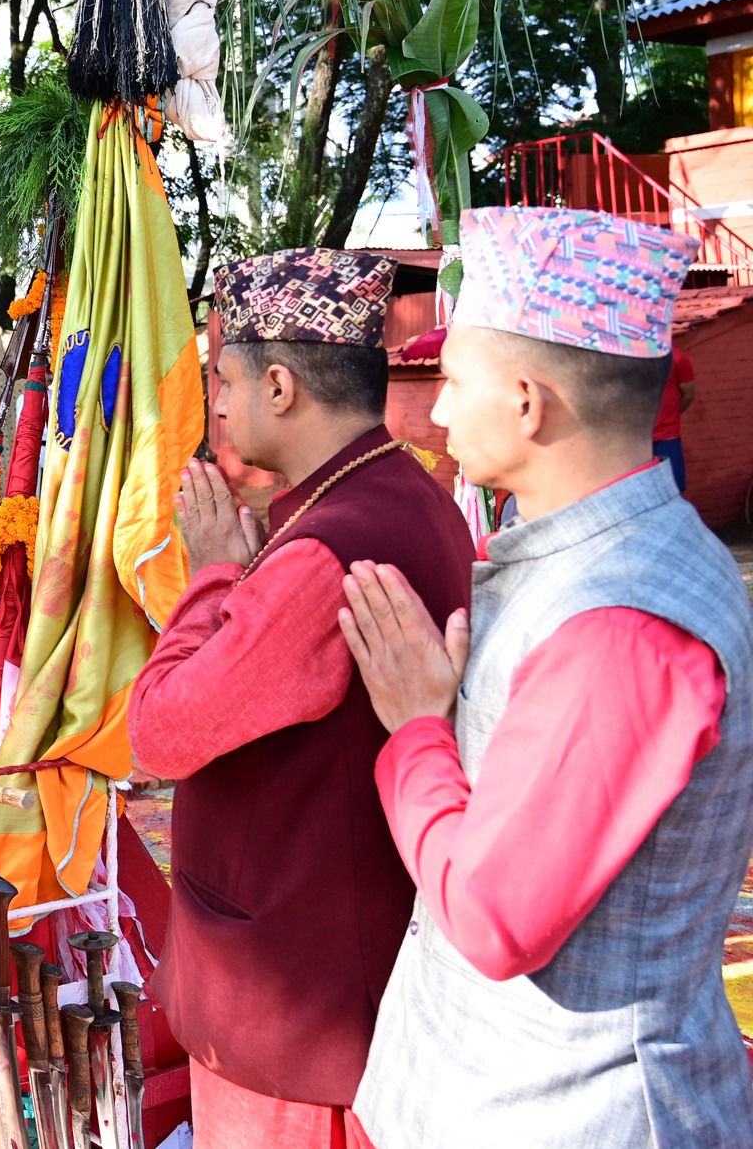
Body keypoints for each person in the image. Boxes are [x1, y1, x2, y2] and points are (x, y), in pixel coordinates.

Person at [336, 208, 753, 1147]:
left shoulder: (623, 618)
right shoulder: (607, 561)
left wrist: (414, 730)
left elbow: (493, 915)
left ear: (528, 400)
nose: (436, 413)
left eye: (450, 383)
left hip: (569, 1108)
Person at [126, 250, 472, 1149]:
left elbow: (159, 735)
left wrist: (208, 577)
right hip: (360, 977)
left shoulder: (325, 550)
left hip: (296, 1027)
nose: (221, 406)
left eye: (225, 379)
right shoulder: (413, 496)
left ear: (280, 384)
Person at [650, 337, 696, 492]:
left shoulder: (678, 358)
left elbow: (688, 395)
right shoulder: (631, 359)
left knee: (673, 489)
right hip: (635, 439)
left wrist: (669, 417)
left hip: (667, 438)